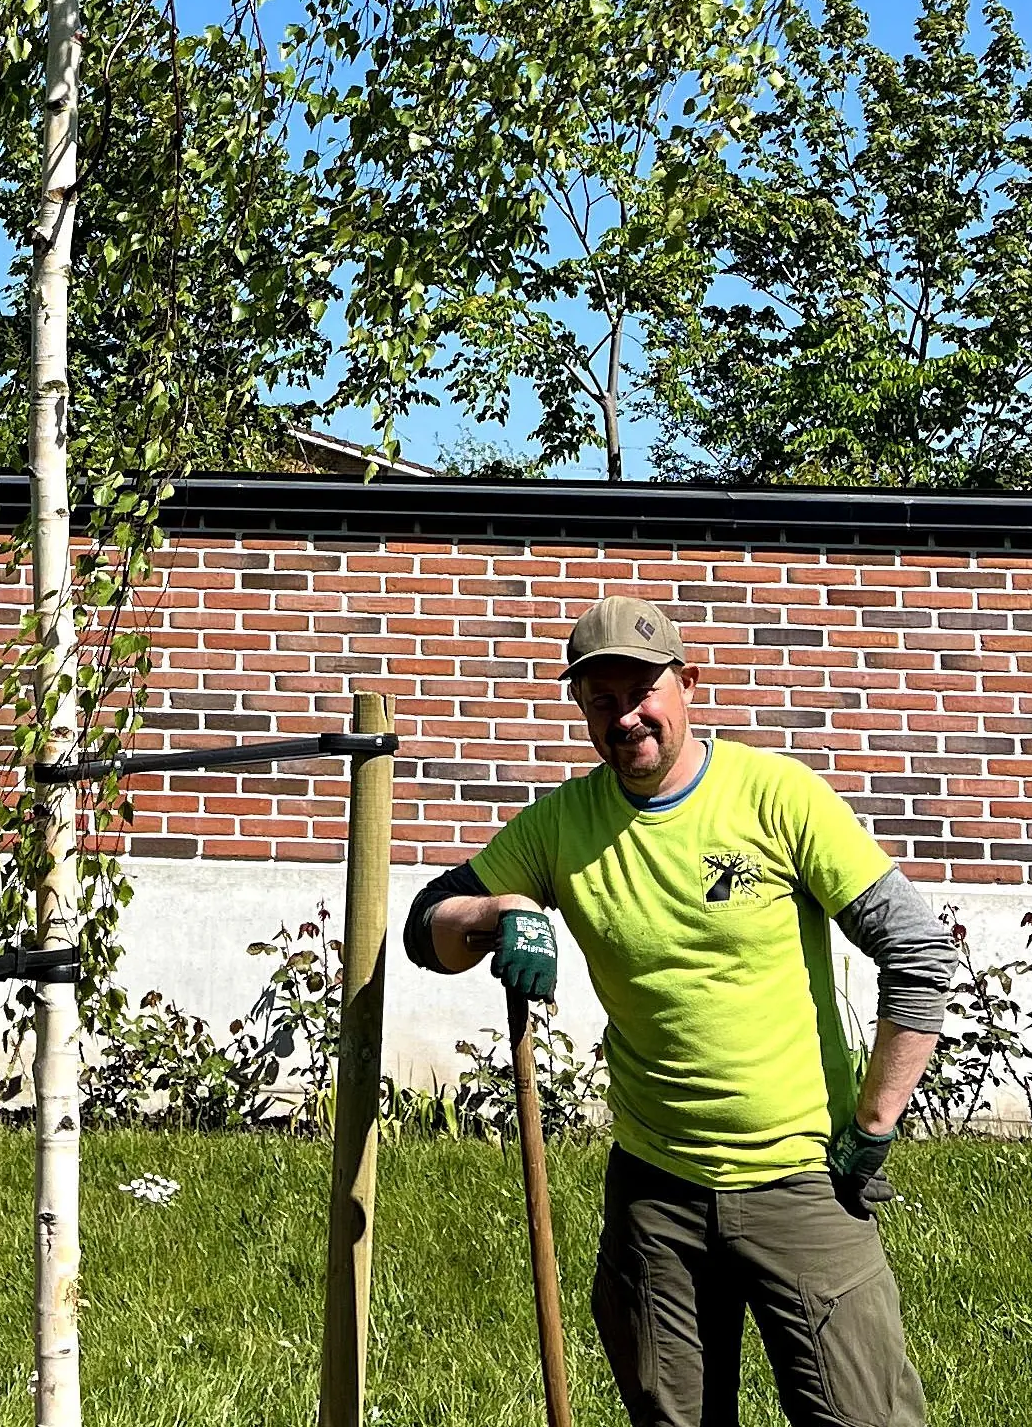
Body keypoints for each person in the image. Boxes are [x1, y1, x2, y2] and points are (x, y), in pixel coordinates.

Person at [406, 593, 954, 1427]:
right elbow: (425, 927)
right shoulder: (564, 826)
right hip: (654, 1195)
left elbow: (915, 945)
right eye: (601, 699)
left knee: (866, 1418)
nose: (625, 716)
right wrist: (496, 915)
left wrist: (875, 1126)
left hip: (801, 1180)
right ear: (580, 706)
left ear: (688, 682)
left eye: (641, 691)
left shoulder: (776, 796)